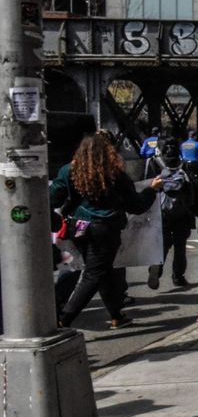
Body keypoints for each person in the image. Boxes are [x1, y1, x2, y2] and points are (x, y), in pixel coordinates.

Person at [50, 132, 162, 329]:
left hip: (79, 226)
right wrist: (151, 189)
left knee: (103, 271)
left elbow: (54, 198)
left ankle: (116, 315)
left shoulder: (70, 171)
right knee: (95, 274)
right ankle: (64, 319)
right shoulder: (115, 174)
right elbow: (136, 205)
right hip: (105, 229)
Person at [146, 137, 198, 290]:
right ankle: (178, 276)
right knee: (180, 245)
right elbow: (194, 187)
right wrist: (196, 210)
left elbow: (146, 184)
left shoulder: (154, 163)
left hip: (160, 210)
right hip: (182, 211)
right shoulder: (184, 165)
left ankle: (156, 266)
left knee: (162, 243)